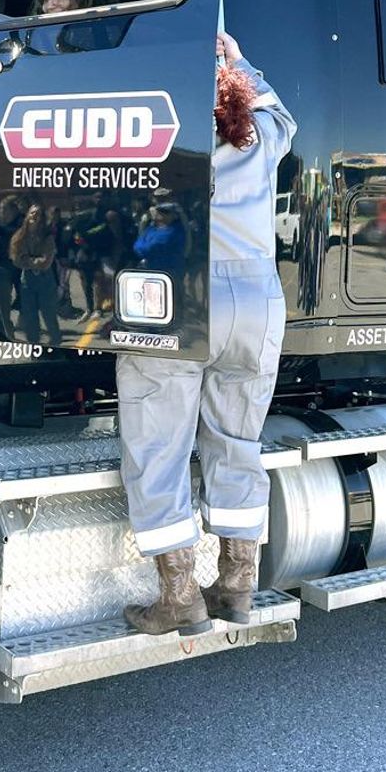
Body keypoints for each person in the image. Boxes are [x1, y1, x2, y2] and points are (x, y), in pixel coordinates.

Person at [116, 32, 297, 636]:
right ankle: (237, 586)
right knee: (238, 440)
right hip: (255, 299)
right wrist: (238, 59)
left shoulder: (162, 129)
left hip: (180, 294)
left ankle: (178, 597)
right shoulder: (263, 136)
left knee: (158, 445)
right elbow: (279, 113)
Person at [10, 203, 63, 346]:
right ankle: (34, 344)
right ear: (27, 216)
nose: (35, 216)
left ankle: (56, 342)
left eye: (38, 214)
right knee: (30, 316)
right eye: (32, 213)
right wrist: (33, 261)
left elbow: (46, 262)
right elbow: (15, 259)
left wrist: (27, 260)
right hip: (27, 280)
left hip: (46, 280)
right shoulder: (19, 237)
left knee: (49, 314)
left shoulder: (48, 238)